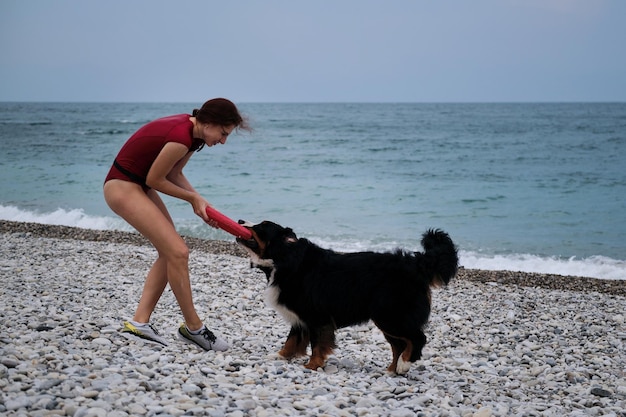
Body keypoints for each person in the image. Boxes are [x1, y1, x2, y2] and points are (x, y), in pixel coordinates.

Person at [103, 98, 250, 351]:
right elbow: (156, 178)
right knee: (178, 251)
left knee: (169, 252)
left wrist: (202, 205)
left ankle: (139, 324)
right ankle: (195, 328)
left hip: (137, 186)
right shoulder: (181, 137)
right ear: (209, 122)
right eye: (223, 133)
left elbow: (174, 174)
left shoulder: (194, 136)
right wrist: (192, 198)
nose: (223, 141)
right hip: (123, 187)